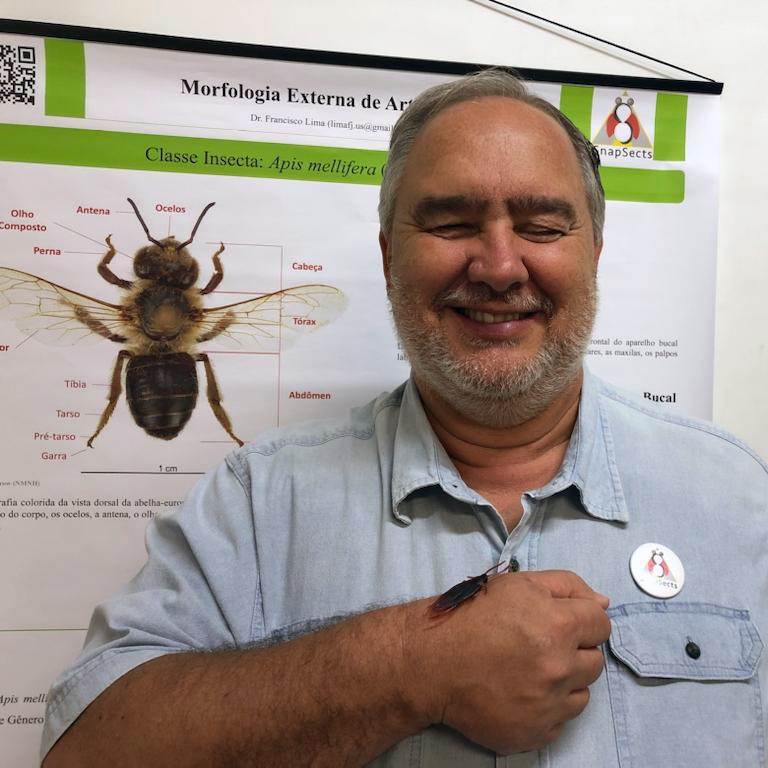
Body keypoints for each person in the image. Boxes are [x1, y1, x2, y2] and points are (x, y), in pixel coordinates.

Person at [42, 70, 768, 767]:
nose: (499, 265)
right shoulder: (260, 501)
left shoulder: (738, 496)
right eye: (451, 221)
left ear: (595, 256)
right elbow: (90, 752)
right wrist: (411, 667)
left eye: (542, 226)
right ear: (390, 257)